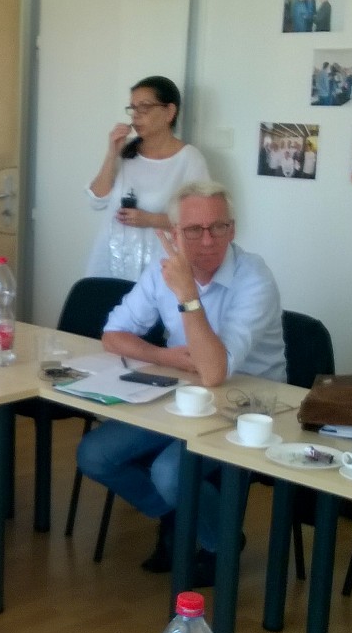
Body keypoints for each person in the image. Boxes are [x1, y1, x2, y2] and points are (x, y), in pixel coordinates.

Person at [75, 181, 284, 578]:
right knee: (95, 454)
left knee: (170, 472)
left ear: (233, 230)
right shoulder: (163, 270)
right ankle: (181, 515)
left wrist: (188, 294)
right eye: (193, 230)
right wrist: (162, 356)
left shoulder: (254, 277)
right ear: (173, 233)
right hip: (185, 396)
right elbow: (113, 334)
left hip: (248, 406)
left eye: (218, 227)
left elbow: (215, 372)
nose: (207, 240)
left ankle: (220, 543)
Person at [85, 76, 210, 283]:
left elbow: (202, 221)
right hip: (109, 262)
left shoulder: (189, 159)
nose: (136, 115)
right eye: (133, 108)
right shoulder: (126, 152)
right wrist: (112, 153)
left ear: (169, 112)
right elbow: (96, 200)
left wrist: (150, 220)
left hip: (158, 268)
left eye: (144, 108)